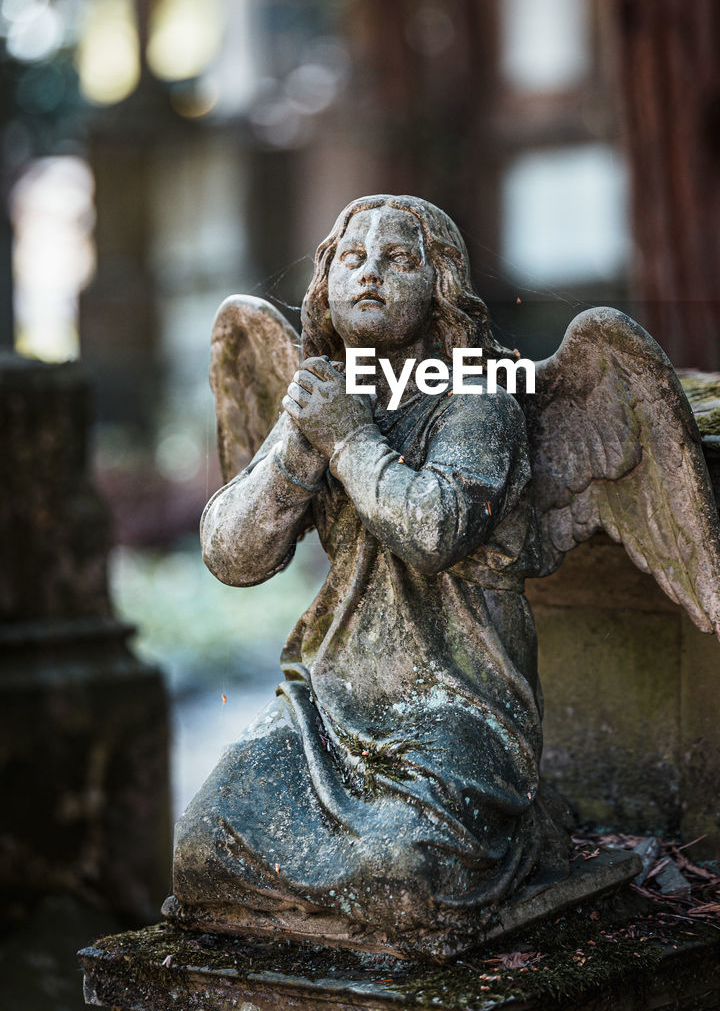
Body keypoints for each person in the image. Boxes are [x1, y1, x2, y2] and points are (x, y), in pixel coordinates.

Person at [165, 195, 558, 956]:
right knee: (200, 847)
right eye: (352, 258)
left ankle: (521, 835)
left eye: (398, 259)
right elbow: (232, 557)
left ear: (440, 287)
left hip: (454, 711)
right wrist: (296, 455)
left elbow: (430, 532)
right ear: (326, 283)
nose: (370, 273)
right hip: (330, 702)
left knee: (399, 878)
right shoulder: (324, 391)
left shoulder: (476, 399)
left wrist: (347, 436)